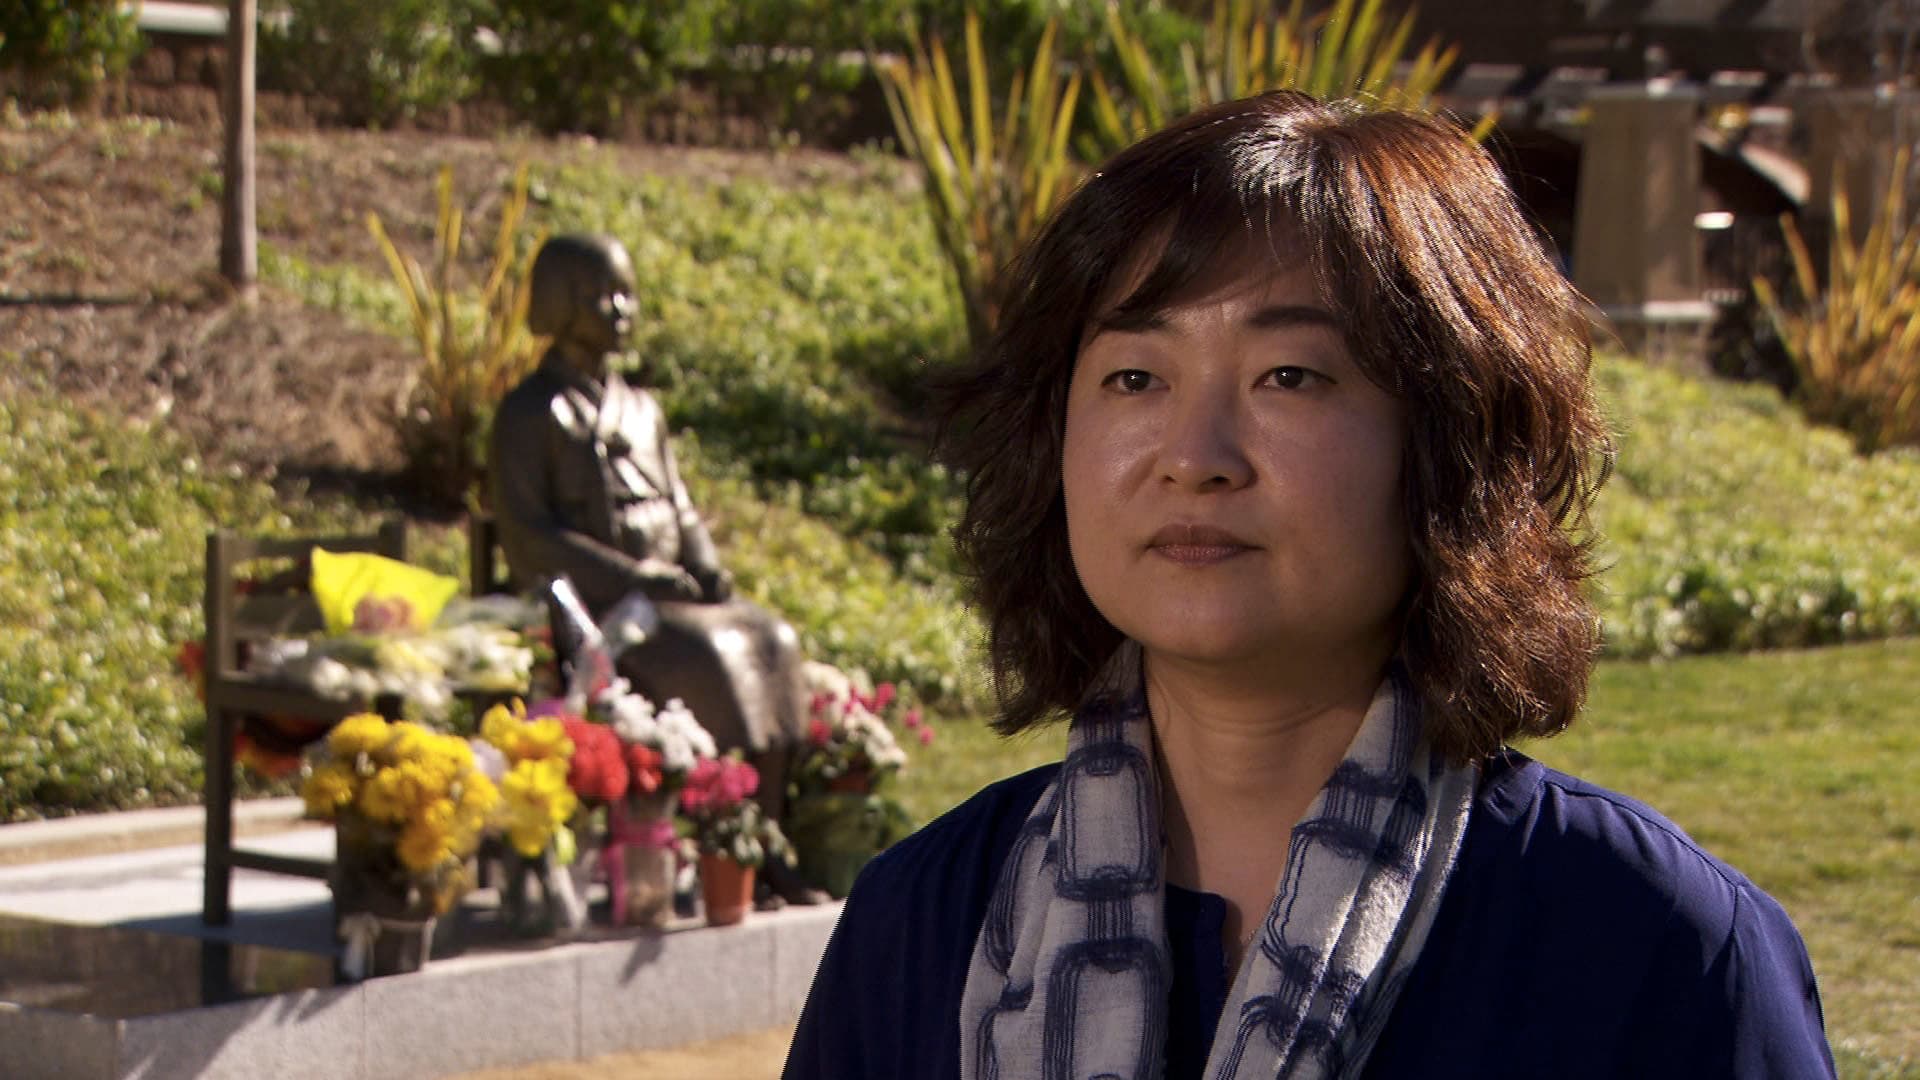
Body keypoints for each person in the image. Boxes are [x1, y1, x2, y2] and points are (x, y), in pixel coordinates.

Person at [784, 92, 1833, 1078]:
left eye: (1290, 376)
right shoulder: (920, 923)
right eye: (1134, 378)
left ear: (1448, 443)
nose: (1193, 456)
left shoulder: (1652, 944)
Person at [489, 233, 825, 905]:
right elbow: (528, 539)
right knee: (709, 653)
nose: (619, 311)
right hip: (599, 608)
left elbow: (680, 503)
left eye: (626, 295)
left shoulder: (643, 409)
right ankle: (720, 836)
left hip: (669, 591)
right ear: (560, 305)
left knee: (774, 641)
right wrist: (635, 576)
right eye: (600, 297)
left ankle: (761, 844)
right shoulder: (529, 412)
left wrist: (703, 562)